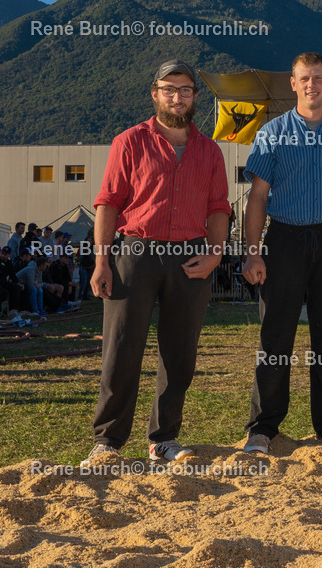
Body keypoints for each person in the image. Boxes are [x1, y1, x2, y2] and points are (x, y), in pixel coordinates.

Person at [83, 59, 230, 466]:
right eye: (169, 89)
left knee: (180, 353)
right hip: (136, 252)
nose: (177, 97)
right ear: (155, 93)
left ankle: (163, 439)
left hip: (190, 256)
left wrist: (215, 254)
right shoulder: (129, 142)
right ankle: (108, 441)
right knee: (122, 348)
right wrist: (102, 261)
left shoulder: (210, 150)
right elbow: (108, 203)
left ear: (195, 97)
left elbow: (219, 207)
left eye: (185, 90)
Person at [241, 52, 322, 454]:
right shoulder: (271, 134)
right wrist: (252, 252)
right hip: (283, 241)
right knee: (275, 337)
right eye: (304, 78)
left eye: (318, 77)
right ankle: (263, 428)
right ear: (293, 84)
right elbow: (257, 198)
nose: (312, 84)